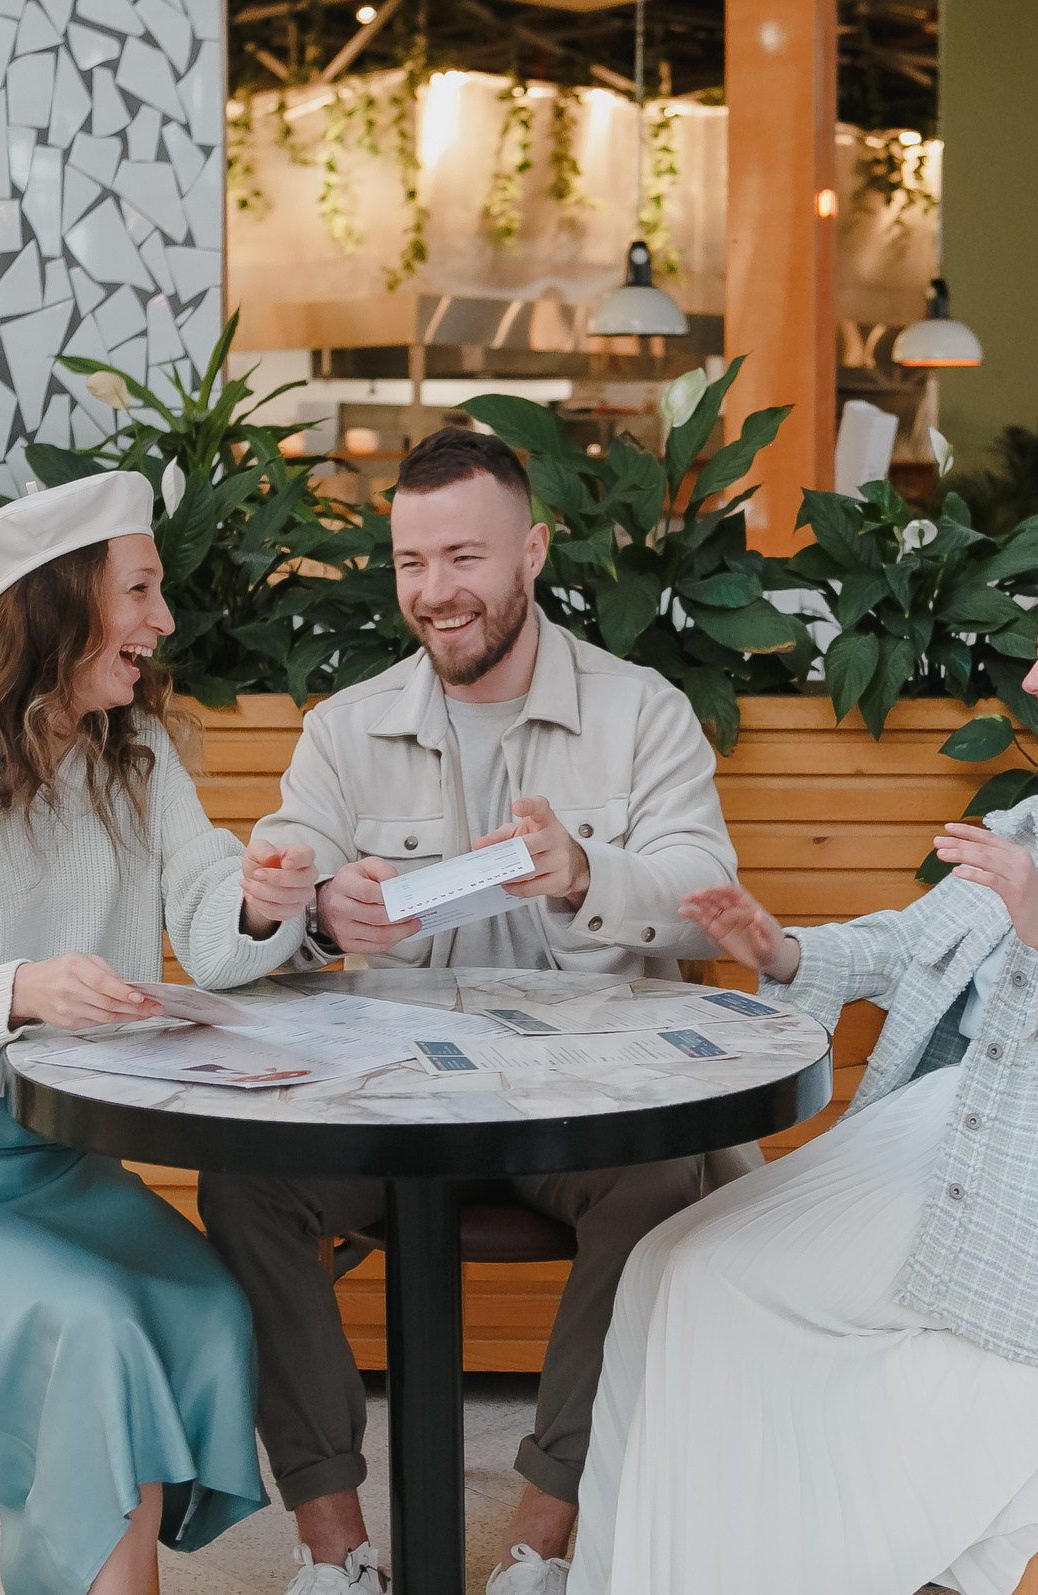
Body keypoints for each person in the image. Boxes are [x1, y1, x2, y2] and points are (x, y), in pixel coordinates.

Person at [574, 561, 1038, 1595]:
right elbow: (910, 945)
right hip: (929, 1133)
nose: (1034, 676)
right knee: (657, 1263)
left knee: (699, 1276)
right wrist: (780, 952)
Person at [194, 427, 743, 1595]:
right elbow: (282, 877)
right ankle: (333, 1548)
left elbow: (703, 908)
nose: (435, 593)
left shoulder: (642, 712)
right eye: (410, 564)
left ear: (532, 551)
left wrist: (586, 872)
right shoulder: (345, 727)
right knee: (247, 1184)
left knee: (662, 1184)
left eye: (463, 558)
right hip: (393, 1110)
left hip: (587, 1110)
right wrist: (318, 907)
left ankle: (545, 1537)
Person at [0, 470, 321, 1595]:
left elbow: (210, 917)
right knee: (92, 1330)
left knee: (203, 1303)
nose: (163, 622)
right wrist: (22, 988)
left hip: (63, 1167)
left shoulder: (130, 753)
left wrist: (265, 897)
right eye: (139, 590)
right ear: (60, 601)